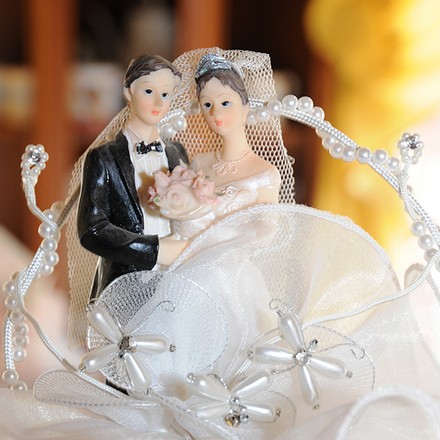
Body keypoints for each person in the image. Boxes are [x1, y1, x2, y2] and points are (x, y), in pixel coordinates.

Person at [77, 54, 189, 302]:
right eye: (149, 91)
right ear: (128, 92)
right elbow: (91, 229)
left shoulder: (176, 153)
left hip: (176, 283)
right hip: (123, 288)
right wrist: (153, 250)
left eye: (165, 94)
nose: (158, 102)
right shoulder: (103, 158)